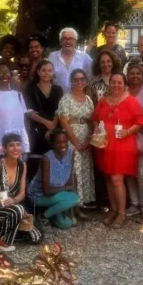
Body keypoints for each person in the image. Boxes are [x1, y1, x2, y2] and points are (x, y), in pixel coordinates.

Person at [92, 73, 143, 228]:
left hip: (123, 144)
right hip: (105, 144)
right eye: (113, 82)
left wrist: (128, 131)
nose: (116, 85)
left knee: (117, 179)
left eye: (119, 82)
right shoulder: (102, 102)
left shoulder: (131, 101)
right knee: (109, 177)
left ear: (125, 85)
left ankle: (122, 213)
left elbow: (140, 121)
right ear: (110, 84)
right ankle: (113, 209)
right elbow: (94, 118)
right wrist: (97, 129)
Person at [0, 133, 42, 251]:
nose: (16, 148)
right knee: (19, 210)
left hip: (13, 207)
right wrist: (11, 205)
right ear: (3, 149)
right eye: (11, 145)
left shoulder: (23, 165)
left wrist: (13, 201)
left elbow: (22, 194)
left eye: (18, 145)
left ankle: (11, 229)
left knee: (36, 237)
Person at [58, 69, 95, 212]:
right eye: (76, 79)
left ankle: (83, 202)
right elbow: (64, 122)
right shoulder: (66, 99)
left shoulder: (88, 99)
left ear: (86, 81)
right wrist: (76, 143)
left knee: (84, 170)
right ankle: (73, 206)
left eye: (82, 79)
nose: (79, 82)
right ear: (71, 82)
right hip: (71, 138)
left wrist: (89, 139)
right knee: (74, 171)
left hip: (86, 138)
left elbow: (92, 120)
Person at [28, 129, 80, 229]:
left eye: (65, 141)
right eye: (58, 142)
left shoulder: (71, 152)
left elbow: (69, 176)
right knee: (75, 198)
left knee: (66, 224)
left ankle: (51, 214)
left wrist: (68, 209)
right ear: (52, 143)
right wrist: (66, 188)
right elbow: (47, 191)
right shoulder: (47, 158)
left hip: (57, 193)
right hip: (39, 196)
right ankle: (43, 217)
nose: (62, 145)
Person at [125, 63, 143, 219]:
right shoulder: (124, 91)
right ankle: (134, 203)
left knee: (142, 173)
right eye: (132, 73)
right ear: (127, 75)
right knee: (129, 172)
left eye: (138, 73)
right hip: (127, 136)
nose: (135, 76)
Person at [0, 62, 29, 158]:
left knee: (18, 170)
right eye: (0, 73)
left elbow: (23, 120)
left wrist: (25, 141)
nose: (4, 75)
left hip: (17, 142)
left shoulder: (18, 95)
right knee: (0, 170)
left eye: (7, 72)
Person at [25, 59, 63, 157]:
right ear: (38, 72)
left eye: (50, 70)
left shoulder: (58, 89)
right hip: (37, 131)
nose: (47, 73)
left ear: (53, 72)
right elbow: (29, 111)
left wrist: (52, 128)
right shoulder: (30, 89)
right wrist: (46, 122)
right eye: (44, 70)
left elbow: (60, 110)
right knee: (37, 161)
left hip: (55, 132)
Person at [48, 28, 93, 92]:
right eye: (64, 39)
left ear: (75, 42)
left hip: (77, 99)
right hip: (57, 99)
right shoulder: (52, 57)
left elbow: (91, 78)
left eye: (71, 39)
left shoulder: (84, 57)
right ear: (60, 42)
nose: (68, 41)